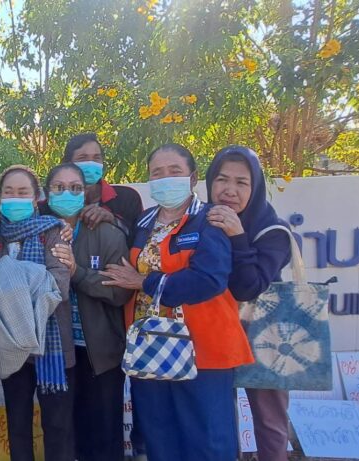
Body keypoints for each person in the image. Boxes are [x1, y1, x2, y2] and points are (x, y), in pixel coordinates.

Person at [101, 144, 253, 461]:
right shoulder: (143, 222)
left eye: (175, 171)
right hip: (149, 349)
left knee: (208, 441)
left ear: (193, 178)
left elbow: (208, 280)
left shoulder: (210, 219)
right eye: (157, 173)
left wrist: (144, 281)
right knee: (160, 437)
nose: (165, 178)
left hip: (202, 351)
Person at [206, 146, 293, 461]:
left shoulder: (274, 231)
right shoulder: (201, 222)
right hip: (214, 334)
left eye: (241, 182)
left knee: (270, 420)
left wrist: (237, 235)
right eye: (222, 179)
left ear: (255, 187)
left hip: (263, 335)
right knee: (219, 418)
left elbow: (248, 287)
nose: (230, 190)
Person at [42, 163, 132, 461]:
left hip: (100, 355)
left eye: (75, 188)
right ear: (47, 193)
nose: (67, 193)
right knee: (61, 434)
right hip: (55, 354)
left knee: (103, 439)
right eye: (59, 187)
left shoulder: (107, 233)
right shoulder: (37, 233)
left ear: (85, 193)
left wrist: (77, 272)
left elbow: (120, 292)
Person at [0, 165, 74, 461]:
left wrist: (8, 292)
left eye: (23, 192)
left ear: (36, 197)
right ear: (0, 197)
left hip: (51, 345)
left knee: (58, 424)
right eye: (9, 192)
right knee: (17, 423)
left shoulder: (52, 231)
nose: (15, 198)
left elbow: (59, 284)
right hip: (11, 347)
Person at [61, 133, 144, 233]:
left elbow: (140, 237)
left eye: (96, 158)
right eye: (82, 158)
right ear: (67, 164)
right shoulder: (54, 202)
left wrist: (113, 220)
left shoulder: (127, 198)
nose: (91, 163)